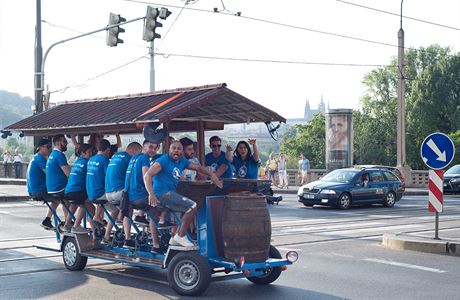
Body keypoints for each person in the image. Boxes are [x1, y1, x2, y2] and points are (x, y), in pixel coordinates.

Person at [144, 141, 223, 247]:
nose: (176, 150)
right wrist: (151, 194)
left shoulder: (182, 161)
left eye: (179, 148)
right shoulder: (163, 160)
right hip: (162, 194)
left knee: (188, 207)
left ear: (182, 151)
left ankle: (176, 237)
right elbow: (147, 175)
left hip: (170, 193)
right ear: (169, 150)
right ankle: (180, 236)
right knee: (192, 206)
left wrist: (212, 174)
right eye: (174, 148)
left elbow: (198, 168)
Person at [122, 140, 161, 251]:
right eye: (150, 147)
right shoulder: (144, 158)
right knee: (155, 210)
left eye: (155, 148)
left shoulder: (134, 158)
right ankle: (156, 245)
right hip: (138, 195)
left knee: (128, 214)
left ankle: (128, 239)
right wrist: (151, 193)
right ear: (144, 146)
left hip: (128, 196)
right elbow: (146, 176)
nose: (153, 150)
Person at [103, 142, 142, 243]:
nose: (137, 156)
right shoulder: (129, 159)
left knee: (115, 211)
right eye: (138, 153)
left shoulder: (116, 156)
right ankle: (128, 238)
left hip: (108, 193)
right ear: (132, 150)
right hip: (119, 192)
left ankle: (107, 236)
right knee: (129, 209)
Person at [63, 144, 95, 233]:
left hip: (69, 190)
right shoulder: (87, 163)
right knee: (86, 203)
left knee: (75, 203)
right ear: (82, 153)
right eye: (89, 152)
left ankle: (67, 224)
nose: (91, 154)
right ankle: (76, 226)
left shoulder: (77, 162)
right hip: (77, 190)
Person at [26, 139, 55, 229]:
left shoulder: (36, 157)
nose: (50, 149)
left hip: (34, 189)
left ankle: (48, 219)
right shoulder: (40, 158)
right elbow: (49, 173)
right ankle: (68, 223)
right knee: (63, 197)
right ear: (40, 148)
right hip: (38, 190)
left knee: (58, 198)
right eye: (48, 147)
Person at [46, 134, 71, 223]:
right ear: (57, 143)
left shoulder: (52, 154)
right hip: (60, 187)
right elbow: (68, 173)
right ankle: (70, 222)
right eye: (64, 141)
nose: (66, 144)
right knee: (78, 197)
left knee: (61, 200)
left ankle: (48, 219)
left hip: (52, 188)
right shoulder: (60, 155)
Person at [86, 139, 111, 227]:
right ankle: (117, 221)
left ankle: (99, 218)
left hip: (90, 192)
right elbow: (109, 177)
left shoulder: (91, 159)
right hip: (99, 193)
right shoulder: (105, 160)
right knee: (118, 205)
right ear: (107, 149)